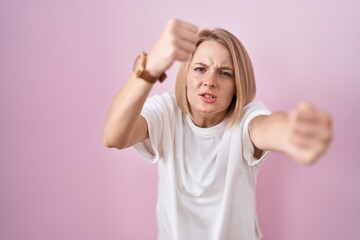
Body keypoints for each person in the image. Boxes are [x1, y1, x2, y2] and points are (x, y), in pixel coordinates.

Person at [103, 18, 333, 240]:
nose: (210, 81)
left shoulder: (246, 119)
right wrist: (150, 67)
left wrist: (291, 133)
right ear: (185, 75)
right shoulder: (165, 112)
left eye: (225, 73)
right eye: (200, 69)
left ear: (237, 85)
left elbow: (267, 127)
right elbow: (114, 137)